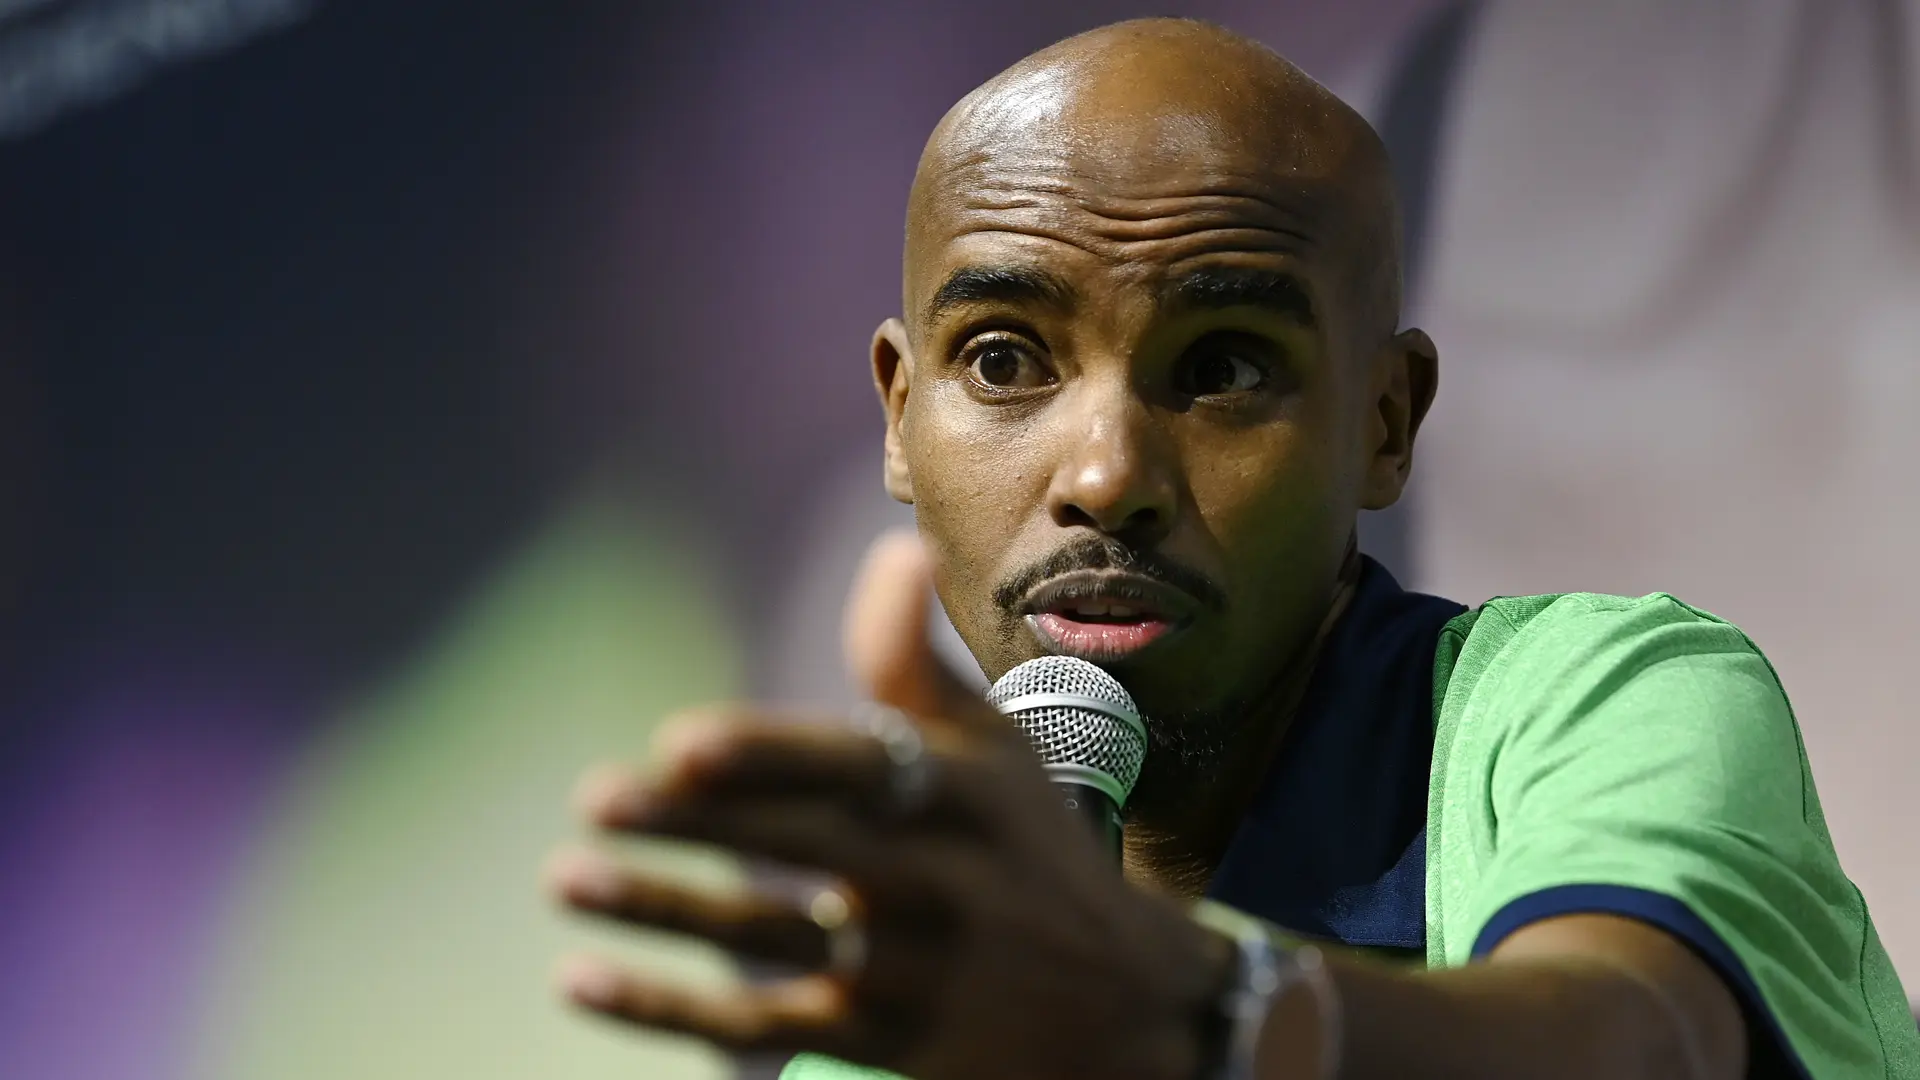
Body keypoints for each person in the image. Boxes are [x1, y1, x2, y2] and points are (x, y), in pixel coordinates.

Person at [542, 18, 1918, 1080]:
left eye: (1224, 368)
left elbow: (1637, 1046)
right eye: (1005, 360)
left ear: (1384, 422)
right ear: (901, 420)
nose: (1104, 476)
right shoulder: (910, 1029)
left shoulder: (1605, 699)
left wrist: (1189, 1011)